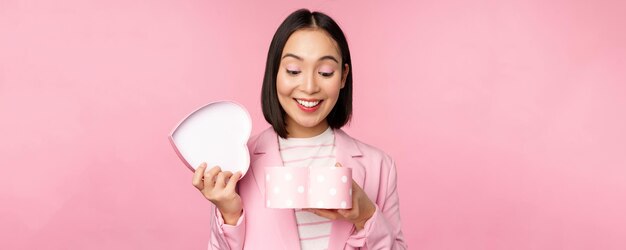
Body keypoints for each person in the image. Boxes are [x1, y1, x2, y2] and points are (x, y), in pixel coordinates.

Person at [191, 8, 407, 250]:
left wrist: (365, 215)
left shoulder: (379, 166)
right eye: (294, 70)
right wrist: (230, 215)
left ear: (343, 76)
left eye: (325, 72)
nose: (309, 86)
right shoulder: (239, 162)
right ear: (275, 72)